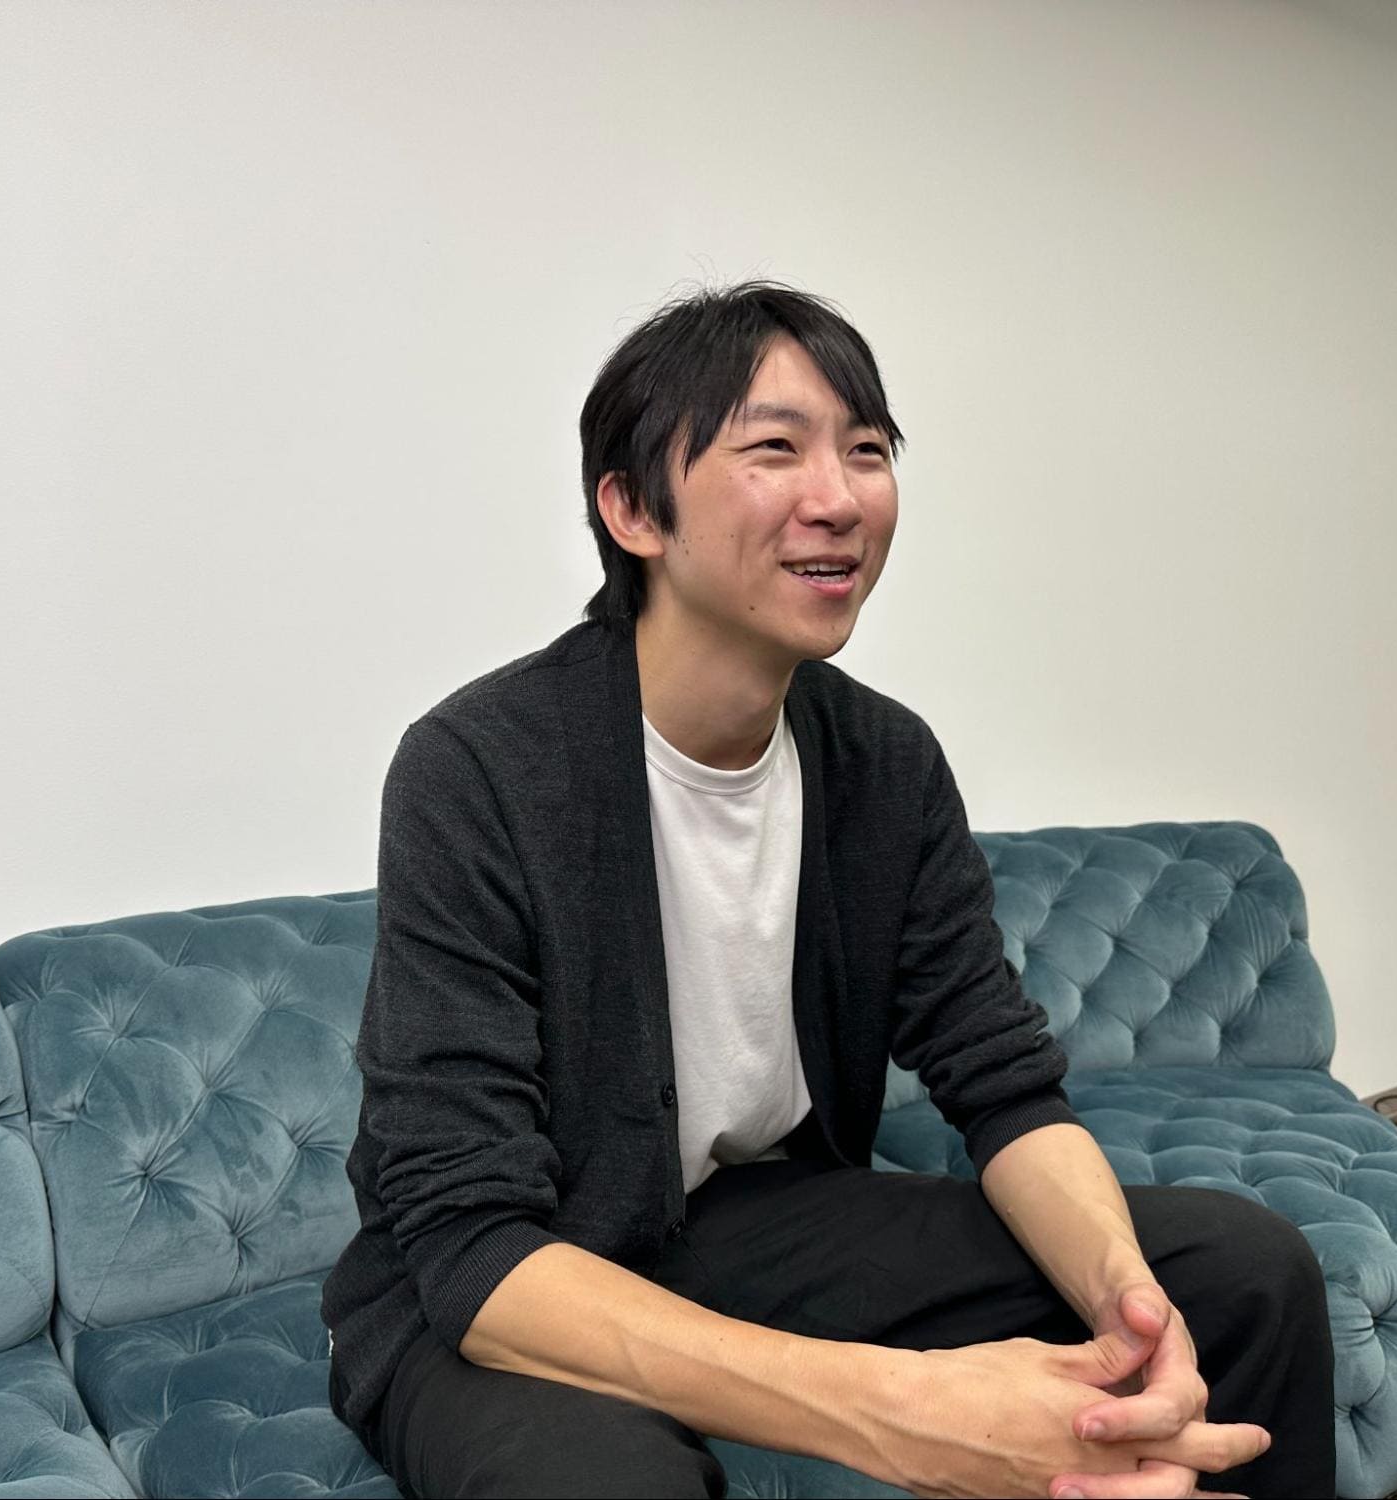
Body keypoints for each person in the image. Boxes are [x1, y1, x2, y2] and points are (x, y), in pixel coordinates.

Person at [320, 280, 1335, 1499]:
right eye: (774, 449)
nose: (840, 498)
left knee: (1239, 1273)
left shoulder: (883, 763)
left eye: (865, 450)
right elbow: (468, 1239)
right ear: (632, 508)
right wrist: (904, 1412)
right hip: (501, 1284)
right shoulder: (479, 769)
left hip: (746, 1221)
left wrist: (1131, 1312)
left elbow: (1004, 1087)